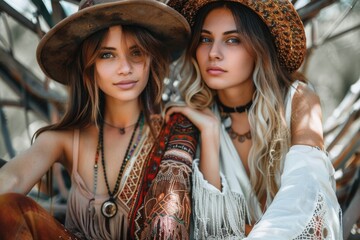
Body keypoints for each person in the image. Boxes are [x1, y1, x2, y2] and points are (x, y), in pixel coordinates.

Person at [0, 0, 198, 239]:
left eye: (136, 52)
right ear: (88, 67)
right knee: (10, 208)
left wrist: (209, 130)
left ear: (151, 57)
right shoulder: (63, 139)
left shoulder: (179, 128)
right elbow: (12, 179)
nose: (125, 68)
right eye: (107, 55)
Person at [165, 0, 343, 239]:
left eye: (232, 40)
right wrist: (210, 131)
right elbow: (212, 227)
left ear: (258, 47)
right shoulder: (193, 120)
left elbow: (307, 191)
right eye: (206, 39)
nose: (213, 53)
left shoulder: (298, 100)